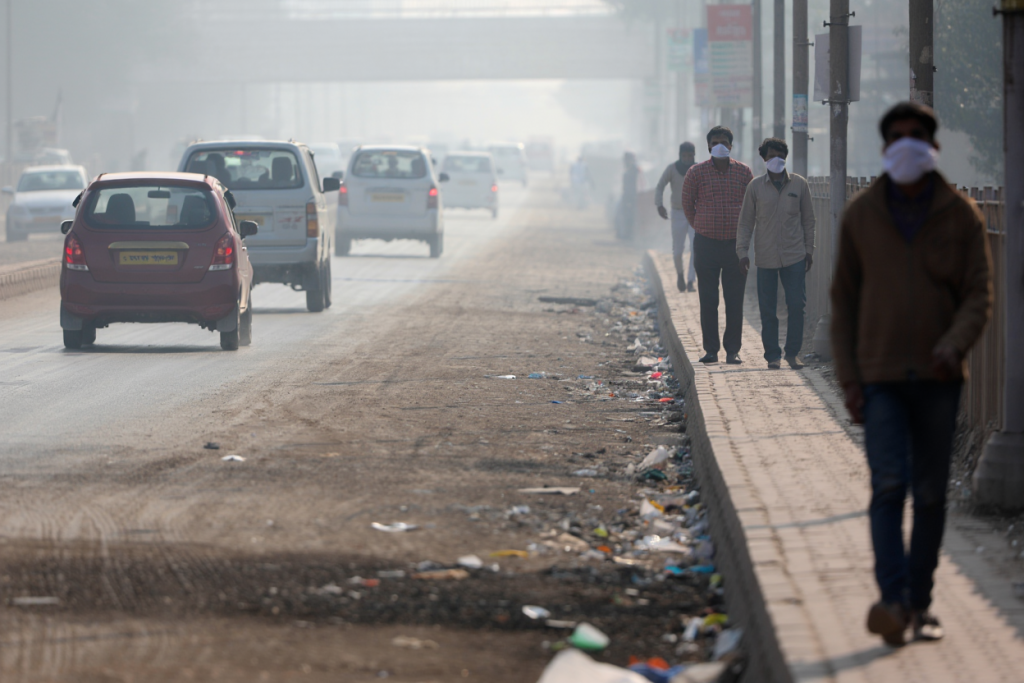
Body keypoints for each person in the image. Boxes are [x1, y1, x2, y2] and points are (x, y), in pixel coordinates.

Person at [831, 102, 992, 646]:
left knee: (928, 494)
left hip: (939, 377)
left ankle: (919, 604)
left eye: (916, 136)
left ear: (933, 146)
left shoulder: (961, 214)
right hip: (878, 377)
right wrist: (849, 379)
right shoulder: (861, 215)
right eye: (897, 137)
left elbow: (978, 294)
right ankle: (893, 600)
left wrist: (954, 343)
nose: (907, 144)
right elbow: (844, 303)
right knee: (888, 487)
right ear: (884, 149)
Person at [736, 137, 815, 369]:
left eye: (780, 156)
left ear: (786, 158)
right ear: (764, 159)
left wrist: (809, 250)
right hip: (766, 257)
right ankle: (772, 355)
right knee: (768, 309)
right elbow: (745, 223)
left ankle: (792, 353)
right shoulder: (755, 187)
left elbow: (809, 220)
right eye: (771, 156)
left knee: (796, 306)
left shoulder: (799, 185)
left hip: (795, 256)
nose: (776, 160)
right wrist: (742, 252)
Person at [681, 126, 754, 364]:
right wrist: (701, 226)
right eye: (715, 142)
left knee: (734, 301)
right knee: (708, 300)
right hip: (706, 245)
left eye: (724, 141)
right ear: (708, 146)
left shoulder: (744, 173)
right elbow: (687, 204)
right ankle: (711, 350)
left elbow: (752, 207)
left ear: (731, 146)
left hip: (735, 247)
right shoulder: (696, 172)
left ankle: (733, 350)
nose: (719, 145)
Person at [655, 142, 698, 293]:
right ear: (680, 156)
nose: (687, 159)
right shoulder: (672, 169)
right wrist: (659, 205)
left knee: (696, 248)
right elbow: (660, 186)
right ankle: (680, 274)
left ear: (694, 155)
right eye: (684, 156)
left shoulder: (698, 170)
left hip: (695, 214)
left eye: (690, 156)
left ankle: (691, 280)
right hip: (678, 212)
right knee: (678, 250)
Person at [617, 151, 640, 240]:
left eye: (627, 160)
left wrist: (631, 199)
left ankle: (629, 235)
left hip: (632, 198)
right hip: (628, 197)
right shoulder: (630, 170)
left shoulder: (635, 171)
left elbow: (636, 186)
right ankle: (626, 234)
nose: (625, 162)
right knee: (625, 215)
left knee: (630, 217)